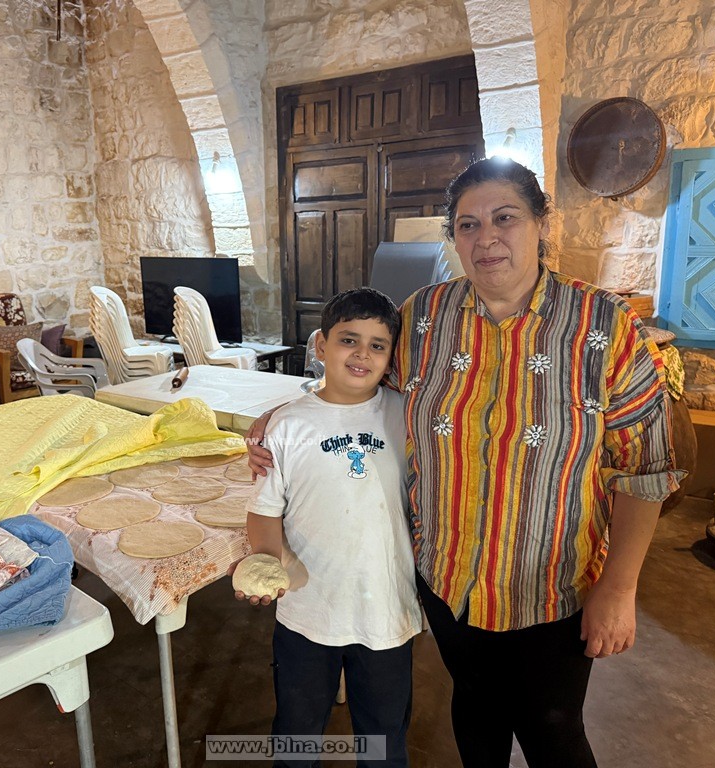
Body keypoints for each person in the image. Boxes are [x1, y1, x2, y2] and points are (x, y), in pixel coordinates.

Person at [249, 158, 686, 768]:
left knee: (552, 731)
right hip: (449, 578)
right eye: (467, 225)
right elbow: (357, 384)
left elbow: (646, 469)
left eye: (505, 218)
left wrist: (620, 587)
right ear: (453, 237)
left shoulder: (604, 327)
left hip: (550, 585)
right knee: (476, 711)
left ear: (541, 224)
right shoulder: (424, 318)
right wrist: (285, 412)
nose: (486, 239)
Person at [235, 287, 422, 767]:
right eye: (348, 340)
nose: (362, 354)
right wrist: (265, 563)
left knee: (383, 741)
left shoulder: (407, 416)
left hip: (387, 611)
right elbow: (264, 511)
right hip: (307, 611)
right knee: (297, 736)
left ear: (391, 357)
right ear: (321, 345)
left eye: (378, 345)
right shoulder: (287, 427)